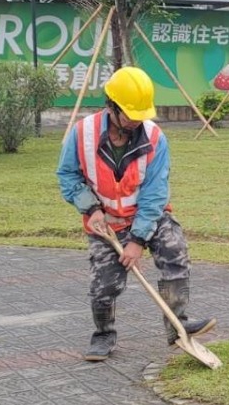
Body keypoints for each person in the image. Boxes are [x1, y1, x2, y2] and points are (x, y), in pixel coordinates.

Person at [58, 67, 214, 361]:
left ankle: (177, 322)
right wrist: (90, 208)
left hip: (148, 217)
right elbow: (67, 175)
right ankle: (103, 335)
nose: (136, 120)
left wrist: (138, 240)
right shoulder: (82, 134)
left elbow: (155, 193)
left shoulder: (155, 138)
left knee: (174, 250)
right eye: (129, 113)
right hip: (105, 223)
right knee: (105, 285)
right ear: (111, 106)